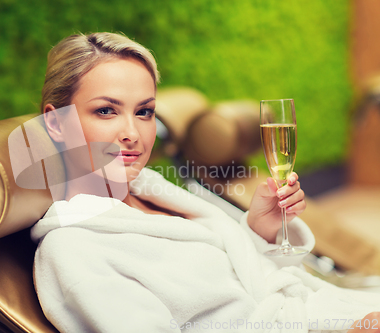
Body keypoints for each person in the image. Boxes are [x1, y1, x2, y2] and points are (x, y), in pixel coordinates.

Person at [31, 32, 380, 332]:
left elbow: (244, 284)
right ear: (56, 124)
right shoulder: (73, 249)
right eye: (106, 111)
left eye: (144, 112)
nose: (132, 134)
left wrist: (260, 230)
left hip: (324, 309)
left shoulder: (155, 192)